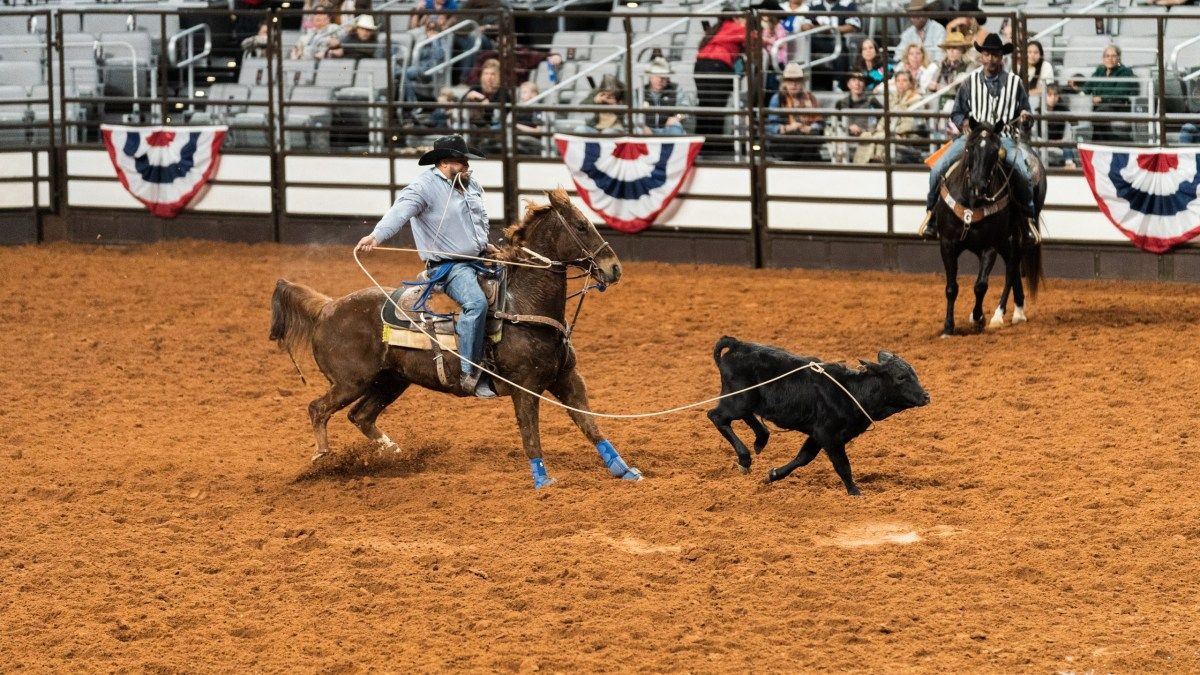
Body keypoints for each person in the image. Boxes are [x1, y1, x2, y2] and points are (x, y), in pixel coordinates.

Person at [355, 135, 497, 398]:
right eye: (461, 161)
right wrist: (376, 236)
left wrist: (483, 244)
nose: (467, 166)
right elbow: (399, 213)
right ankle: (470, 373)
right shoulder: (423, 188)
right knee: (476, 304)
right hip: (450, 267)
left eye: (467, 161)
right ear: (444, 163)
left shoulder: (471, 185)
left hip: (479, 260)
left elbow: (479, 219)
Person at [921, 33, 1038, 243]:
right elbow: (957, 112)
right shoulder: (969, 82)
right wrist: (964, 123)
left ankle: (1028, 219)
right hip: (972, 139)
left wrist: (1025, 117)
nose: (991, 59)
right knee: (938, 168)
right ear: (981, 56)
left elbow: (1026, 112)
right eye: (987, 54)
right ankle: (931, 215)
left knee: (1023, 172)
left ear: (1001, 57)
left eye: (995, 55)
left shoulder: (1015, 83)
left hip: (1003, 138)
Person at [694, 10, 747, 155]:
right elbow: (753, 37)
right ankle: (713, 145)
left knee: (704, 105)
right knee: (717, 107)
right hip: (718, 65)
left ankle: (700, 145)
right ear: (735, 17)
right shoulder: (734, 26)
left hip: (700, 66)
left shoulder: (716, 28)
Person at [1067, 44, 1137, 143]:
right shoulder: (1100, 70)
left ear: (1119, 58)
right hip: (1099, 106)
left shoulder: (1125, 72)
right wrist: (1082, 94)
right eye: (1107, 56)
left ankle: (1103, 143)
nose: (1110, 59)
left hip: (1117, 105)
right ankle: (1099, 143)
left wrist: (1101, 98)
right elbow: (1089, 85)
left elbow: (1120, 92)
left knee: (1099, 114)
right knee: (1091, 112)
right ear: (1103, 59)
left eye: (1113, 56)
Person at [853, 70, 922, 164]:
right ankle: (860, 165)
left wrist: (894, 131)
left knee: (881, 136)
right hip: (889, 132)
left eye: (904, 80)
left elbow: (912, 124)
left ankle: (877, 161)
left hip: (906, 135)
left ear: (910, 83)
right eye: (898, 81)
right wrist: (880, 128)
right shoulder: (893, 99)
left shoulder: (916, 99)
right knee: (866, 135)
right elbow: (884, 118)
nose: (901, 83)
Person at [794, 0, 862, 90]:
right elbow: (805, 26)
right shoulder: (815, 4)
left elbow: (852, 26)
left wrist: (830, 30)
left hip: (837, 40)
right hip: (817, 40)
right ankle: (800, 82)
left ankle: (837, 85)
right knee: (801, 46)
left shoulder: (848, 4)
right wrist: (821, 29)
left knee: (840, 49)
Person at [766, 63, 825, 161]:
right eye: (790, 81)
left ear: (802, 83)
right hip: (784, 141)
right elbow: (771, 126)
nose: (794, 84)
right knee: (808, 144)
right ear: (784, 83)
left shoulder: (810, 98)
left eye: (797, 81)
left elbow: (820, 122)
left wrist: (810, 128)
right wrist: (789, 127)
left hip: (807, 138)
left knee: (810, 140)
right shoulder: (778, 98)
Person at [833, 71, 882, 161]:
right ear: (848, 84)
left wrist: (864, 130)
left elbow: (879, 120)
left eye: (860, 80)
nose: (857, 83)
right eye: (854, 80)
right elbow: (837, 122)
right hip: (845, 136)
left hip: (867, 136)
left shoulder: (872, 101)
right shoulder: (841, 103)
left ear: (864, 84)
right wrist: (849, 127)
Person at [641, 57, 693, 135]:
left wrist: (677, 117)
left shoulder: (676, 89)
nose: (660, 80)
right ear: (650, 76)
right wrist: (642, 126)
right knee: (638, 129)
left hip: (669, 129)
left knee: (676, 128)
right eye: (657, 76)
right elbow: (632, 116)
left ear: (668, 78)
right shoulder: (640, 92)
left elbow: (685, 109)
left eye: (663, 77)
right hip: (646, 129)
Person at [403, 17, 449, 101]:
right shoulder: (422, 40)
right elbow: (416, 57)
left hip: (432, 70)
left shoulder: (441, 41)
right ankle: (411, 100)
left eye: (434, 29)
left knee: (405, 73)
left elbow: (439, 57)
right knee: (401, 73)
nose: (431, 32)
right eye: (429, 29)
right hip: (420, 68)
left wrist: (435, 41)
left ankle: (411, 101)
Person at [895, 0, 947, 65]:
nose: (915, 17)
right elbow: (898, 54)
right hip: (911, 68)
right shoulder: (908, 33)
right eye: (912, 14)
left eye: (918, 13)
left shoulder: (938, 29)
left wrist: (926, 68)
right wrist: (907, 65)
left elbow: (940, 56)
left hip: (932, 68)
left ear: (927, 13)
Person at [927, 30, 971, 96]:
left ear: (963, 50)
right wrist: (931, 88)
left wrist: (947, 89)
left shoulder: (969, 66)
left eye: (955, 48)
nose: (951, 51)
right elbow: (929, 90)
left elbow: (968, 91)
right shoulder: (941, 67)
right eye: (948, 48)